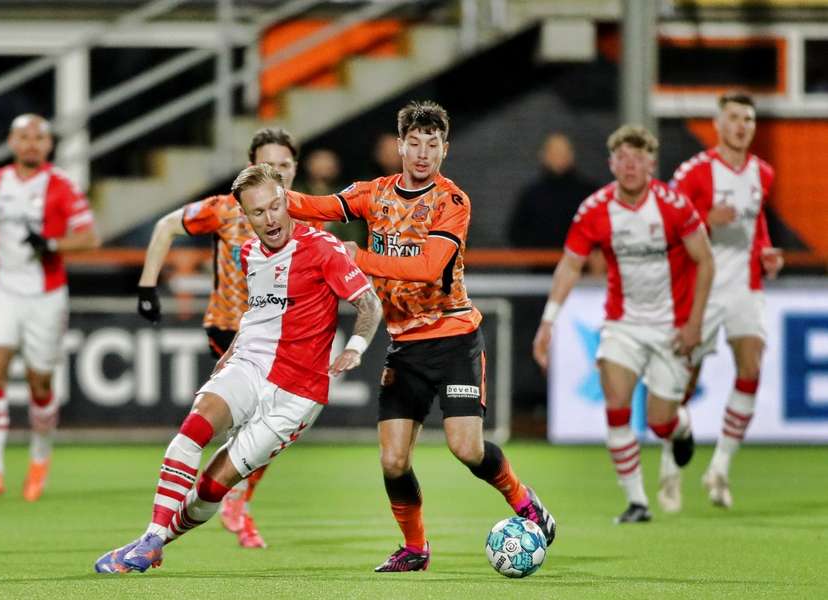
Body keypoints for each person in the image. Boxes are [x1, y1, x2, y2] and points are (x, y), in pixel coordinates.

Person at [285, 100, 556, 572]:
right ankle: (415, 549)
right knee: (393, 461)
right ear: (400, 146)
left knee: (466, 448)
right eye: (414, 143)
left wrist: (359, 257)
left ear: (445, 150)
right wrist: (270, 194)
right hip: (404, 346)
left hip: (453, 338)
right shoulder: (375, 193)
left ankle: (523, 499)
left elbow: (429, 269)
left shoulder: (452, 202)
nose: (423, 152)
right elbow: (316, 206)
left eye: (432, 144)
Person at [95, 164, 382, 574]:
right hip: (250, 365)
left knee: (212, 487)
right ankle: (150, 538)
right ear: (245, 217)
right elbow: (260, 314)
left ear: (287, 201)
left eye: (275, 207)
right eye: (258, 213)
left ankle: (160, 540)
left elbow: (369, 304)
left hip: (298, 395)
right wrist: (232, 351)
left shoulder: (322, 248)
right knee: (193, 429)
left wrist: (355, 347)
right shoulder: (248, 253)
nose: (270, 219)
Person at [532, 124, 714, 524]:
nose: (630, 166)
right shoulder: (594, 209)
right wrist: (549, 321)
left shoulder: (674, 205)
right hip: (622, 323)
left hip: (672, 325)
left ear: (651, 162)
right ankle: (637, 502)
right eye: (622, 159)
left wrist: (695, 322)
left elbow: (705, 260)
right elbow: (570, 264)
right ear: (611, 163)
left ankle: (679, 426)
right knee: (615, 402)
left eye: (638, 158)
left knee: (659, 421)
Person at [136, 127, 307, 548]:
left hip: (283, 339)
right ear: (251, 168)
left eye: (284, 166)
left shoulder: (309, 215)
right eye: (268, 166)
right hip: (231, 328)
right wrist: (147, 285)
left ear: (295, 169)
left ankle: (232, 497)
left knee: (266, 427)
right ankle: (230, 500)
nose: (277, 174)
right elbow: (165, 226)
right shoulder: (225, 209)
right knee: (242, 420)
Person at [658, 92, 784, 512]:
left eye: (749, 118)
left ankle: (720, 468)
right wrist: (706, 220)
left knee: (751, 366)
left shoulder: (763, 173)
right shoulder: (695, 172)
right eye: (734, 117)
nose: (742, 125)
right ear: (718, 124)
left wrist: (766, 251)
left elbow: (757, 221)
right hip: (703, 288)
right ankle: (671, 465)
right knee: (683, 382)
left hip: (745, 287)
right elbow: (667, 225)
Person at [0, 113, 101, 501]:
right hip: (0, 289)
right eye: (23, 137)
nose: (30, 144)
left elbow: (90, 236)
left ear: (48, 145)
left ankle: (40, 454)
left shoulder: (62, 186)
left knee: (40, 382)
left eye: (38, 138)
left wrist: (52, 245)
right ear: (11, 142)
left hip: (45, 294)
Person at [507, 132, 598, 248]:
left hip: (581, 264)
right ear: (543, 156)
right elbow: (516, 233)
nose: (560, 158)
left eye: (564, 153)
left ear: (572, 156)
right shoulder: (531, 194)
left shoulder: (588, 192)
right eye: (555, 153)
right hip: (542, 264)